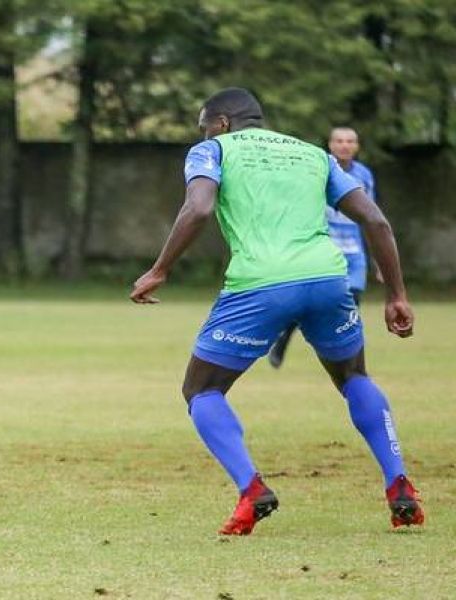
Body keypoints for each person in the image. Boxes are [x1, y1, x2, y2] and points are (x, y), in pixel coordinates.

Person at [130, 88, 423, 535]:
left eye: (204, 124)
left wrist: (160, 269)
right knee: (354, 378)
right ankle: (399, 484)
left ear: (222, 122)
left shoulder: (213, 149)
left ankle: (251, 489)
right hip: (328, 280)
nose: (203, 132)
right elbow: (376, 221)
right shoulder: (314, 155)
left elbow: (199, 207)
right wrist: (397, 294)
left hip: (261, 284)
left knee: (202, 390)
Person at [268, 126, 379, 368]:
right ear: (330, 145)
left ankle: (348, 362)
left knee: (351, 307)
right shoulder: (315, 170)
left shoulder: (364, 176)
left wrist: (377, 261)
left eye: (350, 141)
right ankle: (282, 342)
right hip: (321, 251)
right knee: (305, 303)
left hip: (353, 255)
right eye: (339, 141)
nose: (345, 145)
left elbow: (372, 219)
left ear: (357, 146)